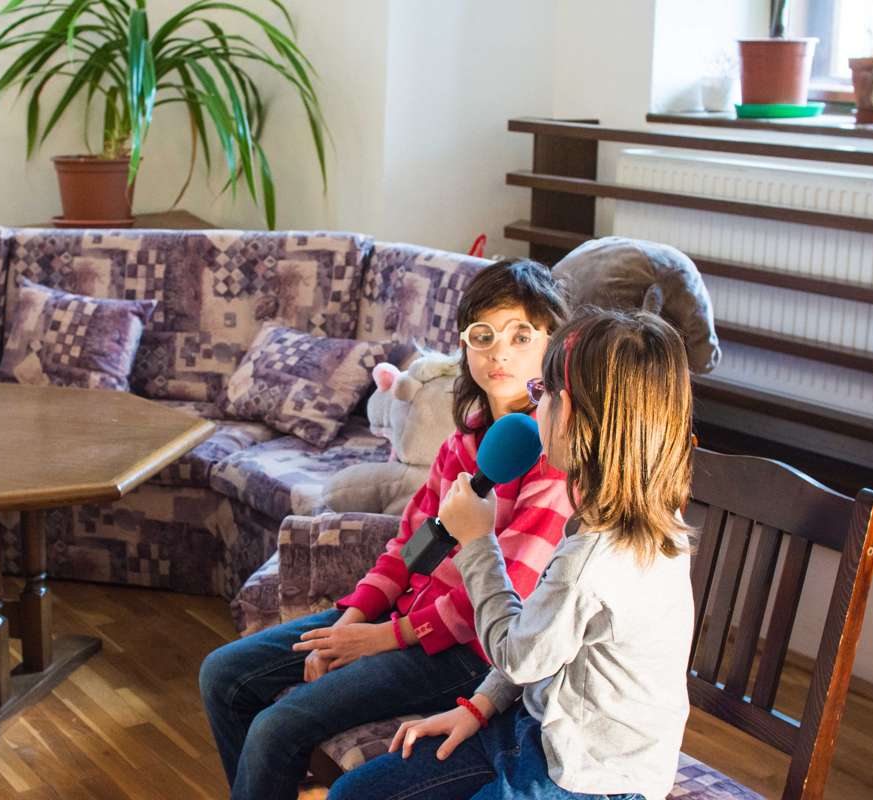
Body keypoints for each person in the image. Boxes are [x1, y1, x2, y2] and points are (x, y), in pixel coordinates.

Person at [199, 260, 575, 800]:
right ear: (465, 344)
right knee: (222, 674)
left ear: (552, 346)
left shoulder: (550, 461)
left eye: (521, 336)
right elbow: (408, 546)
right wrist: (350, 622)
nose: (500, 353)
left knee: (276, 727)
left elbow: (503, 594)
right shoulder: (461, 443)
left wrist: (379, 640)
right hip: (402, 621)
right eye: (484, 335)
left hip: (467, 653)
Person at [328, 309, 697, 800]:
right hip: (537, 728)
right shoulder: (617, 517)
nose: (534, 407)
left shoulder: (594, 561)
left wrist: (478, 541)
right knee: (354, 793)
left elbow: (518, 655)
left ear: (571, 414)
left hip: (588, 777)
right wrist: (480, 705)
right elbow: (541, 638)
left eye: (542, 394)